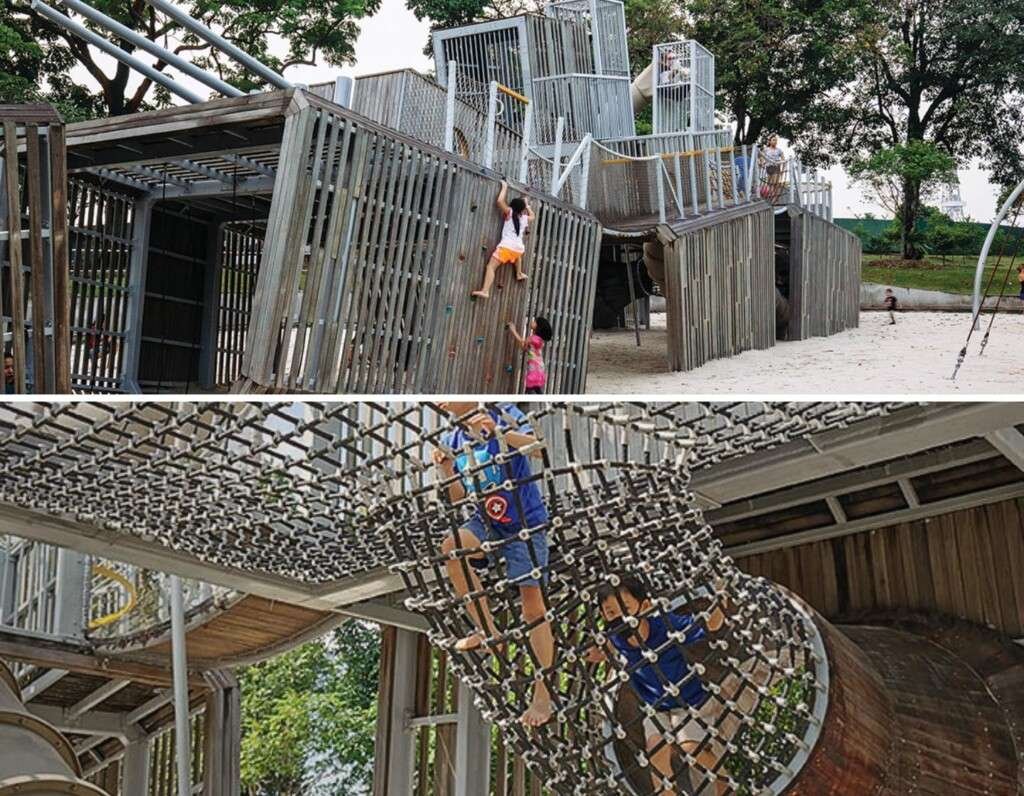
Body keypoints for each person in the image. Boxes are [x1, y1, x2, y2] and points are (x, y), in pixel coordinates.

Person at [432, 402, 555, 727]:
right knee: (451, 547)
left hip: (524, 520)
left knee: (533, 608)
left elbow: (538, 448)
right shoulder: (453, 436)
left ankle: (542, 694)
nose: (440, 400)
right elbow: (458, 497)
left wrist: (499, 432)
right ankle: (486, 629)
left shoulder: (502, 410)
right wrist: (446, 469)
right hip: (485, 520)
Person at [586, 575, 730, 796]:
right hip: (656, 705)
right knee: (656, 752)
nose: (620, 617)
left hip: (690, 701)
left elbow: (709, 625)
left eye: (625, 608)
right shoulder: (616, 637)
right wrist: (598, 654)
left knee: (690, 748)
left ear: (645, 606)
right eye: (611, 612)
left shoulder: (665, 626)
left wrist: (719, 601)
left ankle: (725, 785)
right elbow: (606, 647)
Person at [472, 180, 534, 300]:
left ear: (512, 206)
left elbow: (500, 201)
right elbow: (533, 216)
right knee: (517, 256)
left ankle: (485, 291)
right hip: (518, 249)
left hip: (506, 247)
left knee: (491, 267)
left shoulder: (510, 213)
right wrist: (527, 207)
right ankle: (519, 273)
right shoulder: (524, 218)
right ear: (522, 210)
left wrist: (504, 187)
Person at [506, 317, 552, 394]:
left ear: (538, 327)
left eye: (535, 322)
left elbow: (522, 342)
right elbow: (526, 348)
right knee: (536, 388)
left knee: (530, 389)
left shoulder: (534, 338)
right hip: (539, 367)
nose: (532, 322)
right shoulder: (538, 339)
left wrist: (513, 330)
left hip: (534, 368)